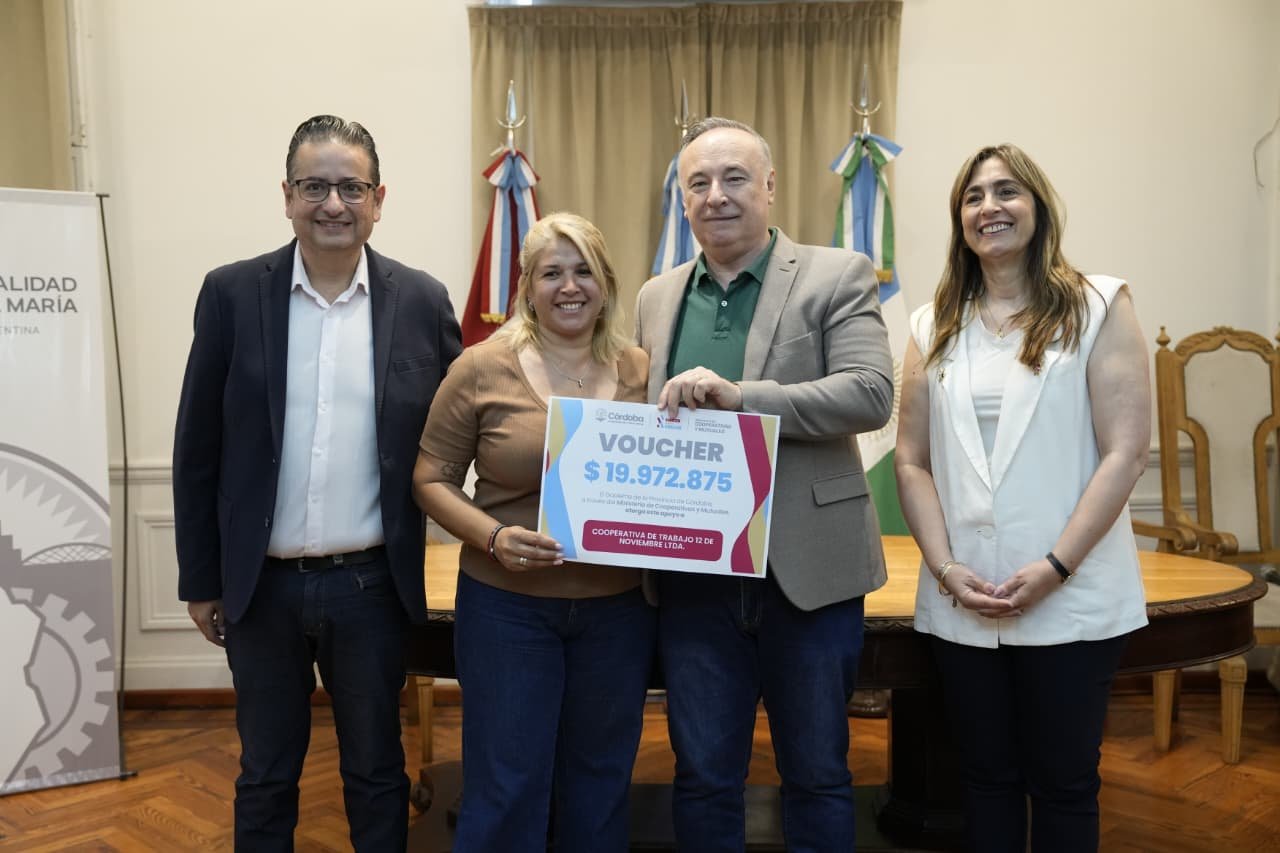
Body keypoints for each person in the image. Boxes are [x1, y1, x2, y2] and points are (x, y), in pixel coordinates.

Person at [173, 114, 462, 852]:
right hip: (260, 590)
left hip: (371, 588)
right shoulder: (232, 294)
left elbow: (462, 429)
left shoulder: (422, 301)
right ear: (287, 195)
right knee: (265, 775)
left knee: (377, 770)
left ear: (378, 199)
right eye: (314, 186)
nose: (333, 203)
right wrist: (200, 580)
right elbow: (197, 447)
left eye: (351, 187)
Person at [634, 116, 894, 851]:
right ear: (683, 199)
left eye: (735, 178)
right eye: (698, 183)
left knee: (816, 773)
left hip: (806, 574)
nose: (716, 195)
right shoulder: (656, 296)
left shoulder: (837, 273)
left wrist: (742, 397)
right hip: (696, 579)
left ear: (770, 186)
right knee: (702, 776)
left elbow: (871, 393)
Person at [894, 143, 1151, 853]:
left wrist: (1057, 566)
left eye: (1007, 191)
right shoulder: (930, 325)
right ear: (960, 220)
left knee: (1065, 783)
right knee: (983, 779)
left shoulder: (1099, 304)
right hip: (965, 596)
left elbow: (1126, 451)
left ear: (1038, 206)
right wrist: (946, 568)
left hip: (1071, 594)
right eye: (973, 196)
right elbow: (911, 461)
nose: (990, 207)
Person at [412, 212, 656, 852]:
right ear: (526, 286)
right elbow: (430, 479)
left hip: (617, 613)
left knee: (601, 783)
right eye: (552, 273)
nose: (569, 287)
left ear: (606, 284)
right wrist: (493, 538)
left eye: (584, 272)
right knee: (506, 785)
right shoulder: (479, 367)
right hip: (507, 610)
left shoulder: (642, 370)